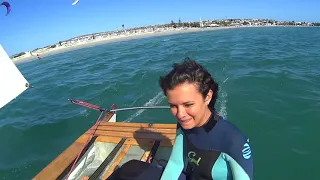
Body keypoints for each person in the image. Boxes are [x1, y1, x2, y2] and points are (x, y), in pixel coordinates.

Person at [158, 57, 253, 180]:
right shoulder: (185, 124)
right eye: (173, 106)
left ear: (207, 97)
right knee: (130, 169)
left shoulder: (234, 141)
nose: (180, 114)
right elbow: (175, 164)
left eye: (188, 105)